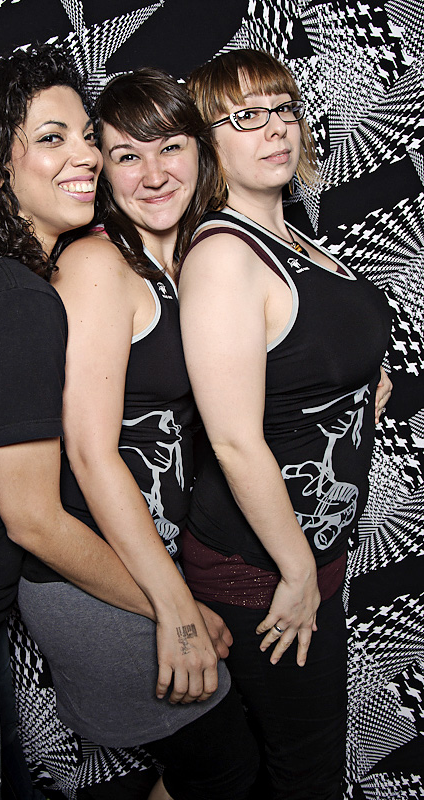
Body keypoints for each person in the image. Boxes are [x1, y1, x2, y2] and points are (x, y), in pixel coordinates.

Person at [0, 45, 168, 800]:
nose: (87, 155)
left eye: (87, 135)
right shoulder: (10, 298)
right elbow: (34, 520)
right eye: (52, 138)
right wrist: (167, 610)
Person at [18, 68, 257, 800]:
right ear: (104, 169)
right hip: (89, 575)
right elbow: (90, 454)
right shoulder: (99, 264)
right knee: (225, 770)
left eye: (170, 147)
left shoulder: (192, 263)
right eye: (127, 155)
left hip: (152, 560)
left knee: (209, 773)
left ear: (200, 152)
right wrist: (174, 607)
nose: (153, 175)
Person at [178, 49, 392, 800]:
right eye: (246, 116)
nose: (275, 127)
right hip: (263, 570)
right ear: (209, 145)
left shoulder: (298, 241)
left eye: (283, 108)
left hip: (313, 554)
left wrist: (360, 385)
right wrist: (297, 574)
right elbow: (234, 440)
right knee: (305, 773)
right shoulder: (224, 255)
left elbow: (301, 357)